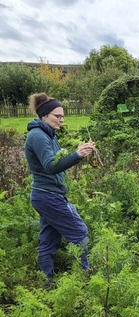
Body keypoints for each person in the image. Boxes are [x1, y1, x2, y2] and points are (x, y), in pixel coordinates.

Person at [24, 93, 96, 282]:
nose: (61, 120)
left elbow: (57, 159)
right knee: (80, 233)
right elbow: (51, 165)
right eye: (57, 116)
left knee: (49, 239)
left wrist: (78, 151)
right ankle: (83, 276)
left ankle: (45, 280)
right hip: (49, 196)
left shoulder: (47, 134)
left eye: (63, 116)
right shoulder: (38, 136)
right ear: (44, 115)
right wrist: (77, 155)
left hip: (46, 195)